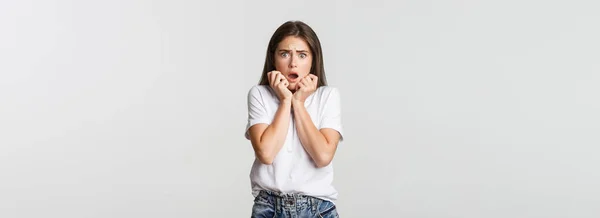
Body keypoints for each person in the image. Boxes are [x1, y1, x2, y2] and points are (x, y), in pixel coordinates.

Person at [244, 20, 344, 218]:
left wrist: (298, 103)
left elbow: (323, 156)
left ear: (313, 60)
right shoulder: (259, 94)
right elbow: (266, 153)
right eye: (284, 54)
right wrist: (285, 101)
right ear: (273, 59)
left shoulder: (328, 96)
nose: (293, 63)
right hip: (269, 208)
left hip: (318, 210)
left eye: (302, 55)